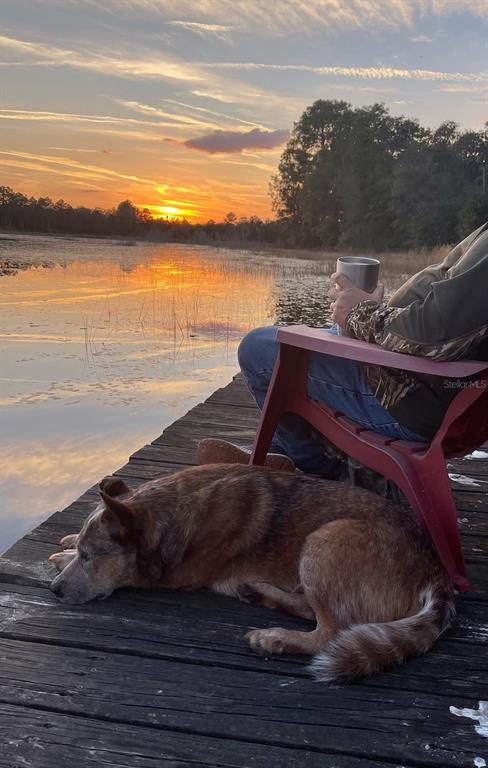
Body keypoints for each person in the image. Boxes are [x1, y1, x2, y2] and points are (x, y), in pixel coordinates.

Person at [199, 223, 488, 480]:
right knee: (297, 338)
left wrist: (359, 312)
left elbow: (434, 329)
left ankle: (325, 469)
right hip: (417, 379)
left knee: (257, 349)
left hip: (406, 394)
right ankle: (277, 452)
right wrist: (375, 313)